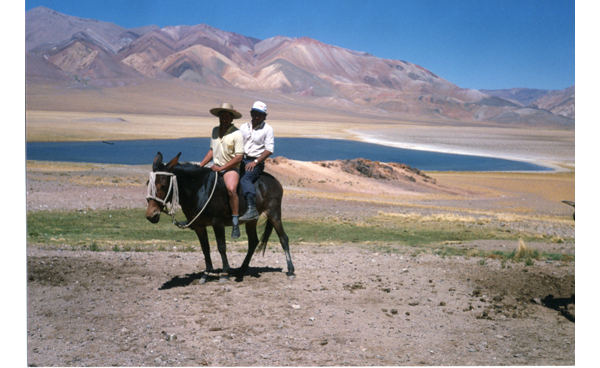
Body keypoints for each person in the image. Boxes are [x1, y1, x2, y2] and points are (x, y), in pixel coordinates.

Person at [198, 102, 244, 239]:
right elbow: (212, 150)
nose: (224, 119)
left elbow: (239, 157)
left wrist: (221, 168)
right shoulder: (214, 131)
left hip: (230, 169)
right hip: (215, 167)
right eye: (222, 116)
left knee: (231, 189)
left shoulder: (237, 133)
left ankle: (235, 222)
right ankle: (197, 216)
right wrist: (200, 166)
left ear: (231, 118)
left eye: (227, 116)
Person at [239, 101, 274, 221]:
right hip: (241, 159)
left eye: (260, 114)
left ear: (264, 116)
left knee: (246, 178)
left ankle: (251, 209)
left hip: (255, 162)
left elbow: (269, 149)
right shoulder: (243, 127)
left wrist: (255, 162)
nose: (257, 116)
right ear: (251, 113)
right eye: (255, 113)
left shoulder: (268, 129)